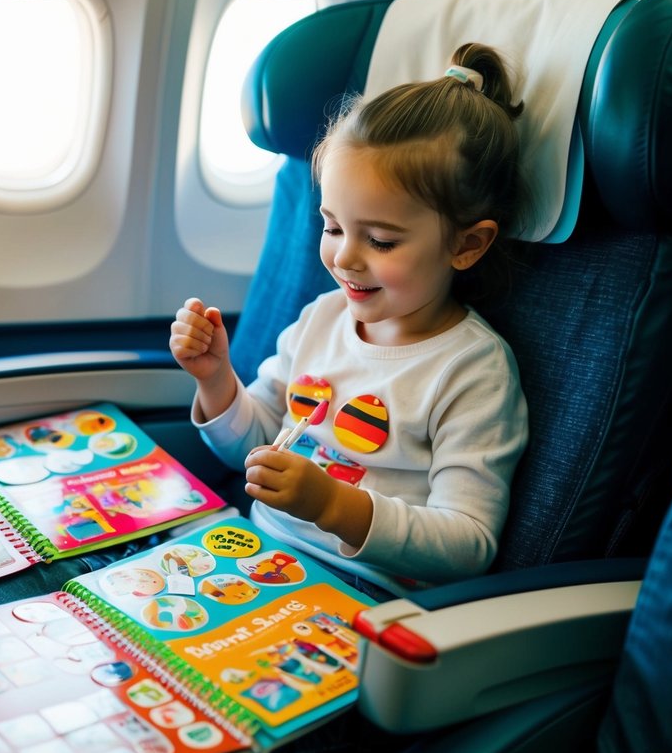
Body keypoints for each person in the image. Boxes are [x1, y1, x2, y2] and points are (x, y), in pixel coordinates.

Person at [170, 42, 530, 600]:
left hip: (363, 593)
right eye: (333, 226)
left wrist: (333, 505)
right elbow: (260, 448)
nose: (344, 258)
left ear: (467, 243)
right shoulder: (323, 318)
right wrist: (216, 379)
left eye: (380, 240)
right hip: (260, 557)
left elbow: (468, 545)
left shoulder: (472, 371)